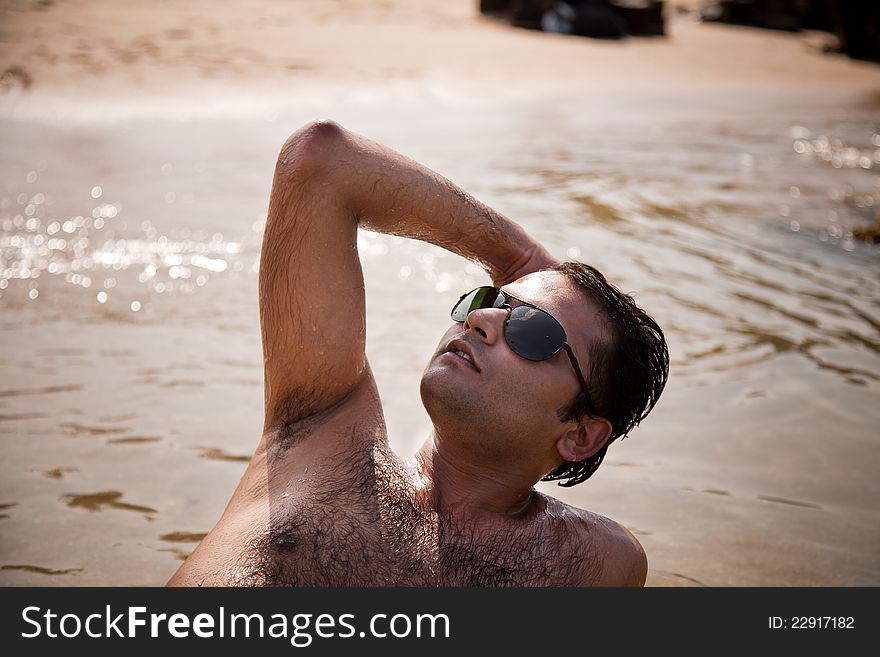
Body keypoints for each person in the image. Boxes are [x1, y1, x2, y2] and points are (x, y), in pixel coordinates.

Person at [166, 120, 669, 587]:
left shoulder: (597, 563)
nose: (481, 319)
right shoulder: (322, 428)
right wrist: (515, 257)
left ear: (581, 434)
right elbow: (322, 161)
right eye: (488, 300)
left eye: (532, 330)